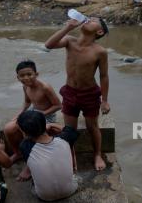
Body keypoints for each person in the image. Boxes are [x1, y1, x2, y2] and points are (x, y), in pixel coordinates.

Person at [45, 16, 110, 170]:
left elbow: (103, 76)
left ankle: (97, 154)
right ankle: (69, 155)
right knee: (69, 129)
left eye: (93, 20)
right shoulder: (69, 41)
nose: (88, 19)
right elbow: (49, 45)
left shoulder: (100, 51)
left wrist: (105, 100)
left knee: (92, 126)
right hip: (70, 92)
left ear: (99, 31)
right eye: (89, 18)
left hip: (89, 94)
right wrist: (68, 27)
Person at [3, 60, 61, 177]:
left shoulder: (45, 87)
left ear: (36, 74)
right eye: (22, 75)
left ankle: (29, 167)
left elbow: (58, 105)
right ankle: (17, 153)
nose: (26, 78)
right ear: (18, 77)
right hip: (32, 113)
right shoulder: (25, 87)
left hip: (46, 116)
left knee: (28, 135)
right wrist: (20, 114)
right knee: (8, 129)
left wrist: (42, 114)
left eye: (29, 74)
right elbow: (27, 101)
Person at [17, 111, 79, 201]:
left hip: (45, 197)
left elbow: (27, 141)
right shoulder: (65, 139)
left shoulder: (24, 146)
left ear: (24, 133)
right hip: (70, 190)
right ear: (44, 125)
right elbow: (69, 130)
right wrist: (51, 125)